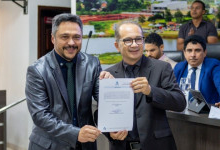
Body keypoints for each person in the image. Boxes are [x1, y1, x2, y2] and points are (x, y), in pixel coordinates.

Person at [25, 13, 112, 150]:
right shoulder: (37, 70)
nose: (71, 43)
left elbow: (104, 100)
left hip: (85, 145)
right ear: (53, 38)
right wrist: (76, 133)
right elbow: (40, 115)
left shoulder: (92, 64)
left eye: (76, 37)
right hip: (50, 145)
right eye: (65, 37)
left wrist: (110, 87)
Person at [104, 20, 186, 150]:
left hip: (157, 145)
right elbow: (102, 113)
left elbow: (180, 103)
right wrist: (109, 132)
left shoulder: (162, 67)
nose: (135, 45)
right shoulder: (109, 74)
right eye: (128, 40)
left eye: (139, 39)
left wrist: (151, 91)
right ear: (117, 45)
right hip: (121, 146)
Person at [174, 35, 220, 105]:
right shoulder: (179, 67)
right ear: (184, 53)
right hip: (182, 111)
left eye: (197, 50)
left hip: (206, 113)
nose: (193, 55)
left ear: (205, 53)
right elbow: (171, 90)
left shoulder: (213, 65)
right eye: (189, 51)